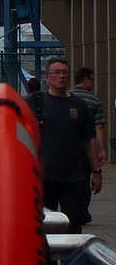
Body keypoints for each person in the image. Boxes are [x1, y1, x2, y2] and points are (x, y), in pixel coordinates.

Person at [29, 58, 102, 233]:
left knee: (73, 225)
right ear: (48, 76)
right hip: (43, 177)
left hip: (73, 177)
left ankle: (71, 251)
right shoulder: (35, 102)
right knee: (44, 228)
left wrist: (96, 172)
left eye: (65, 72)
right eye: (56, 72)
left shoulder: (79, 105)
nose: (61, 76)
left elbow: (89, 139)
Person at [74, 66, 109, 170]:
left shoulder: (67, 97)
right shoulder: (95, 100)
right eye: (92, 80)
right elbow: (99, 127)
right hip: (87, 148)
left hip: (67, 148)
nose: (93, 83)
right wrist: (102, 149)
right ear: (86, 79)